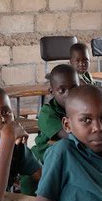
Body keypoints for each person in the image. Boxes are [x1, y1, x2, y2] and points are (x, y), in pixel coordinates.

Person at [25, 64, 79, 194]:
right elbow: (68, 134)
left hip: (67, 155)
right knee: (29, 184)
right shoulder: (47, 112)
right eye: (62, 90)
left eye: (74, 88)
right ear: (52, 92)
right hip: (43, 158)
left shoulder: (81, 107)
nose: (69, 94)